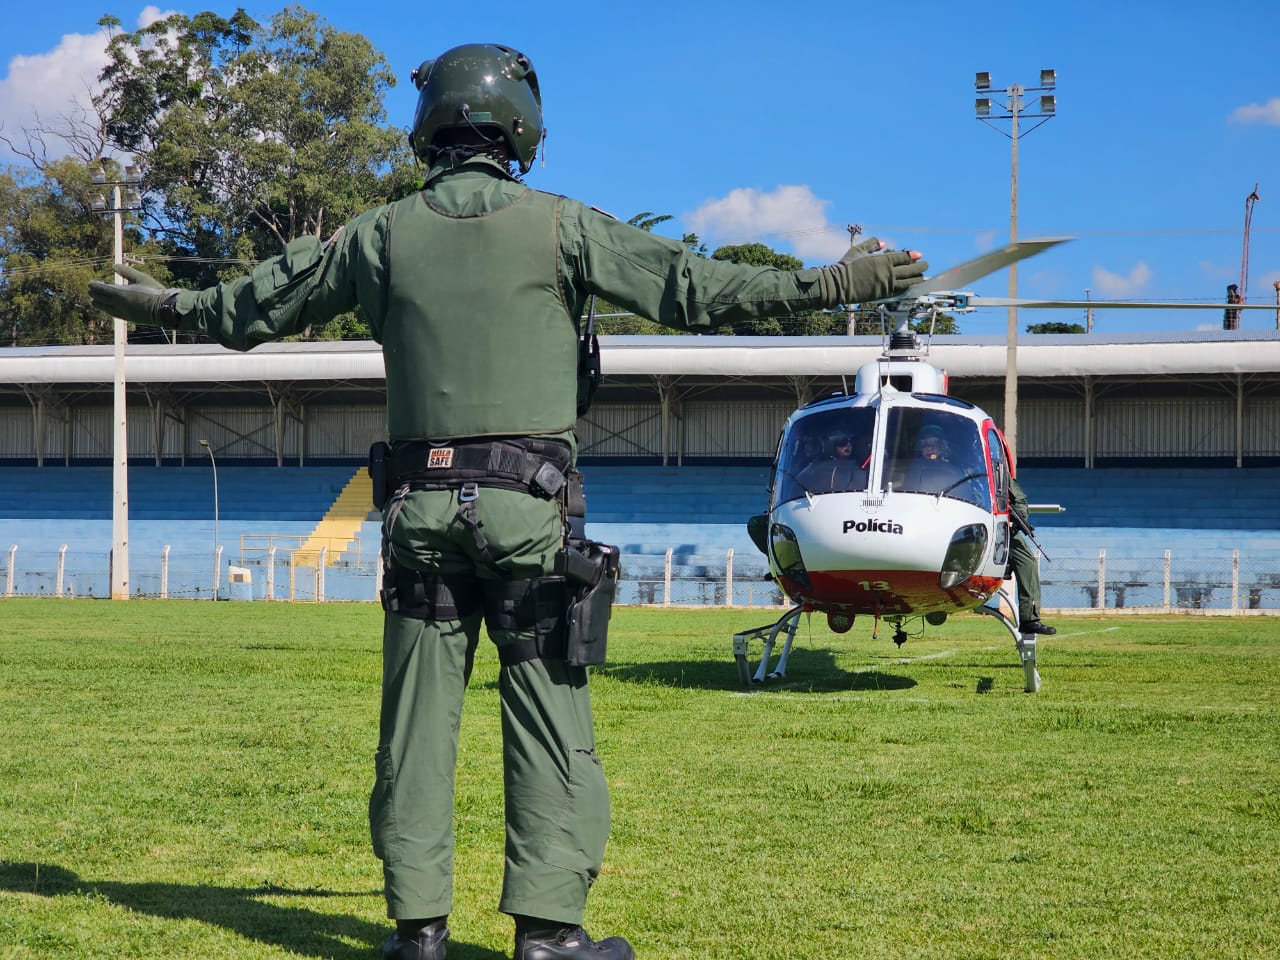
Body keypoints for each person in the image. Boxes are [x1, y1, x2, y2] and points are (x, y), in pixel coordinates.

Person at [89, 42, 927, 960]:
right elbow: (700, 289)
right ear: (521, 127)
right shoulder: (564, 226)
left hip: (417, 514)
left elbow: (249, 311)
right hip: (531, 513)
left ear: (429, 127)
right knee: (547, 711)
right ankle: (548, 933)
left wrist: (163, 304)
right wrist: (837, 284)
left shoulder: (377, 235)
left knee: (414, 726)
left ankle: (418, 933)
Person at [1008, 474, 1056, 636]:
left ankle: (1029, 619)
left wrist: (1019, 518)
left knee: (1027, 561)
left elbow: (1019, 499)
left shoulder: (997, 474)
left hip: (999, 527)